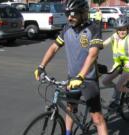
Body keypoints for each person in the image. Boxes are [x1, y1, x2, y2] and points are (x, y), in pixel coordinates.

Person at [34, 0, 108, 135]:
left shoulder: (94, 28)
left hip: (88, 79)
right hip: (72, 78)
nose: (69, 17)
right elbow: (54, 48)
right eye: (68, 14)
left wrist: (81, 76)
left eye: (73, 14)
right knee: (70, 108)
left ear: (83, 14)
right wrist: (41, 66)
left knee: (97, 118)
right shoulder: (67, 28)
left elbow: (93, 54)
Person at [102, 15, 129, 104]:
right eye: (119, 29)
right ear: (116, 30)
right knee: (105, 81)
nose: (121, 32)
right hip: (118, 65)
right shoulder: (114, 36)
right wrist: (95, 47)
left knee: (119, 86)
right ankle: (120, 89)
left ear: (128, 29)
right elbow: (104, 44)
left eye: (124, 29)